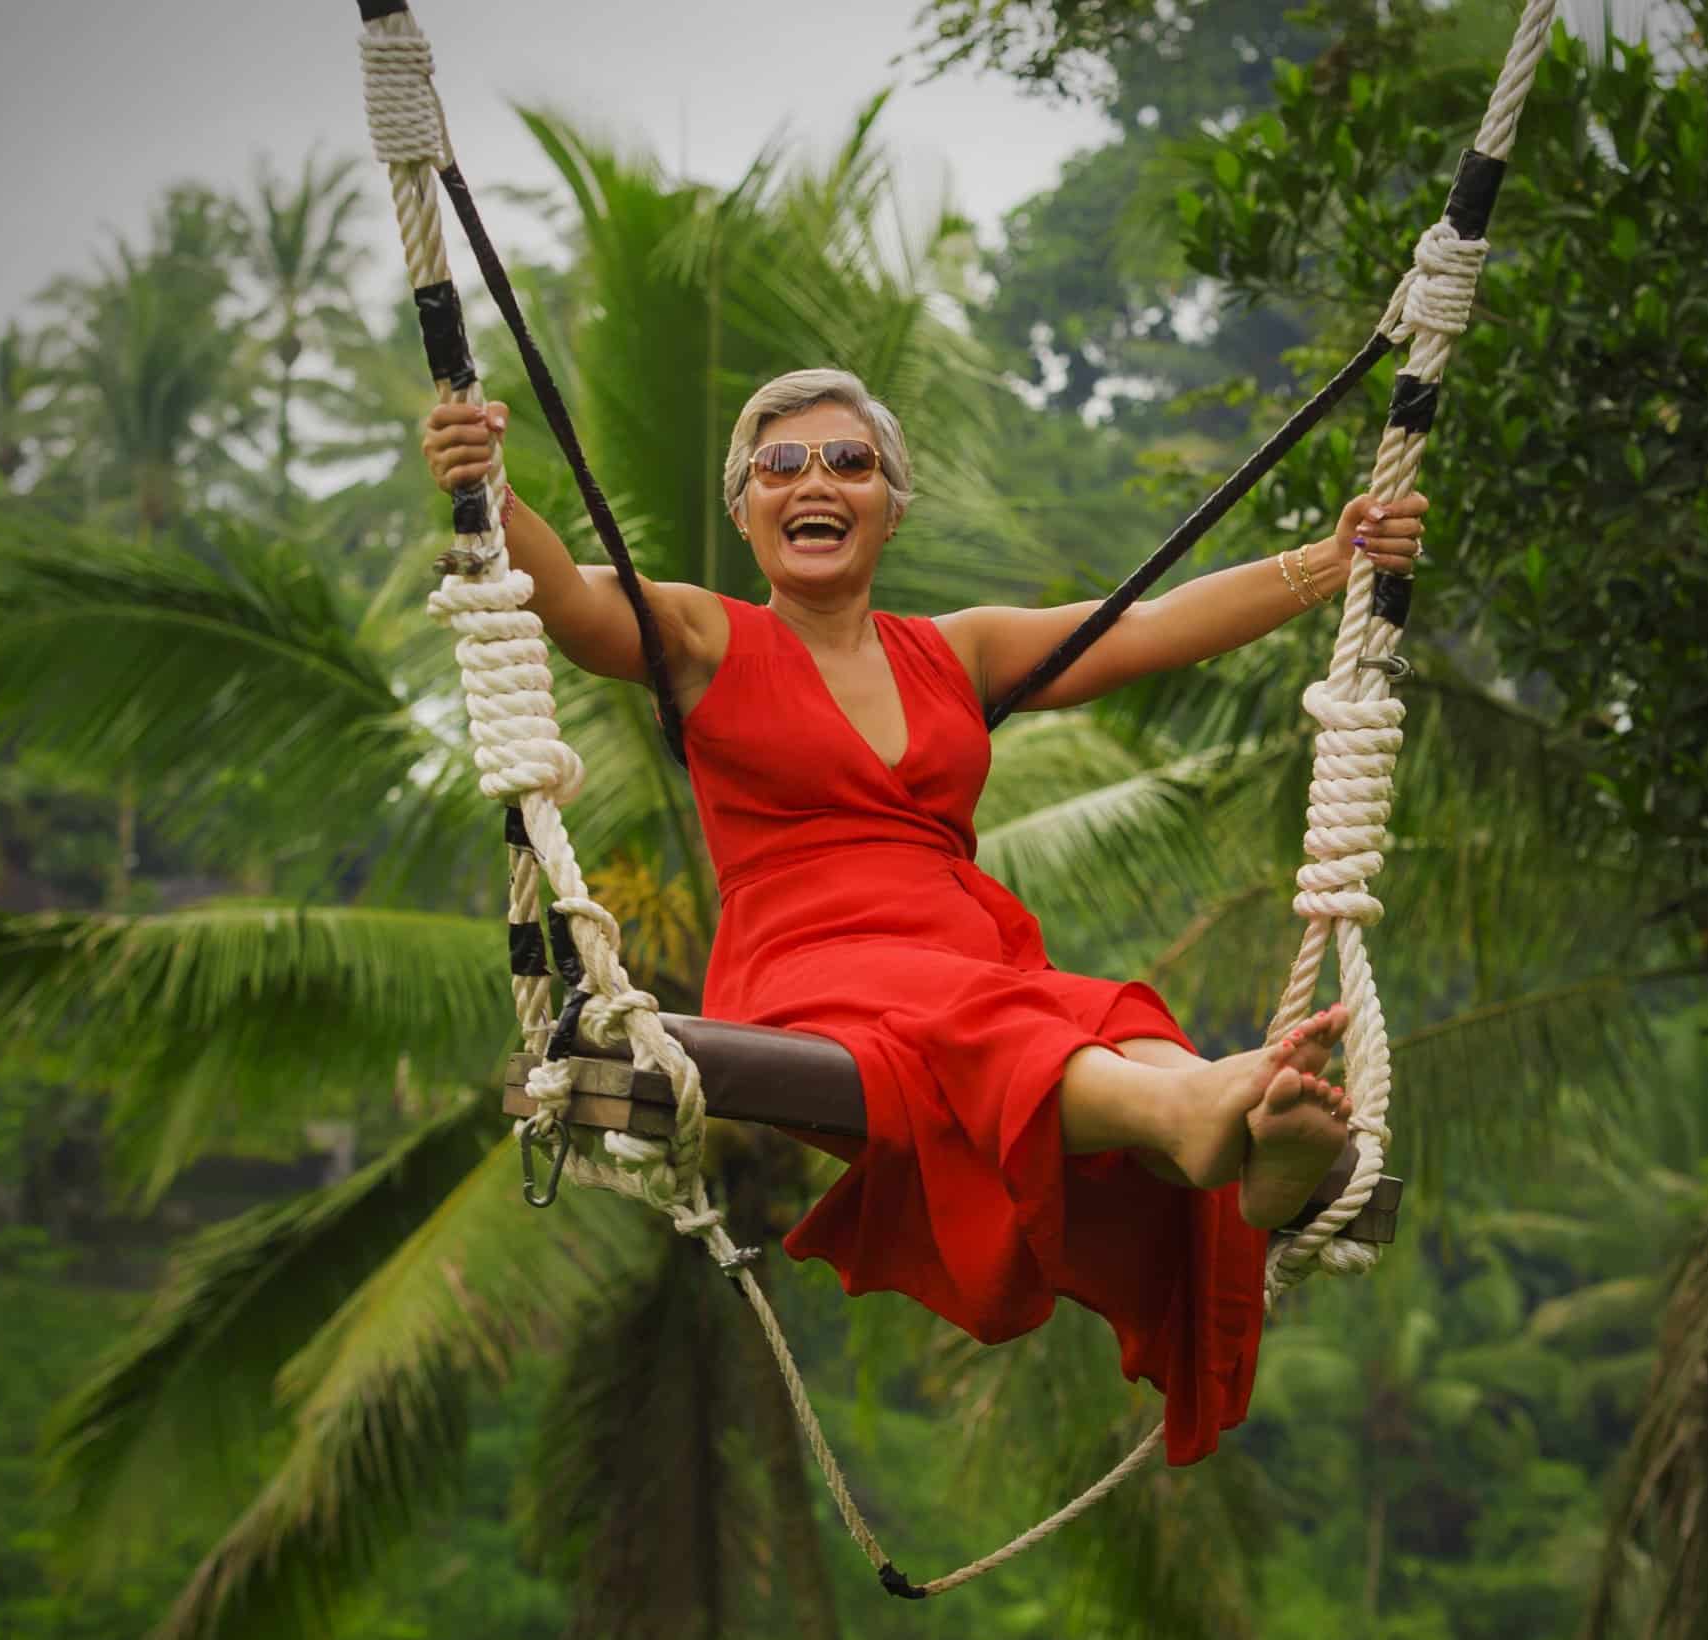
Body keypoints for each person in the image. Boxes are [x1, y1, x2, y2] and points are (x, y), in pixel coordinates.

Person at [422, 368, 1428, 1462]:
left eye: (850, 462)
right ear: (745, 510)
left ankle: (1224, 1126)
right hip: (811, 970)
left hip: (971, 948)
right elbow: (568, 598)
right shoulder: (704, 635)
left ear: (891, 505)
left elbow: (1148, 623)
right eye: (781, 463)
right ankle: (1194, 1118)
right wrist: (490, 490)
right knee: (1010, 1033)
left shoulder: (956, 650)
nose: (816, 480)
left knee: (1105, 1009)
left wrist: (1329, 564)